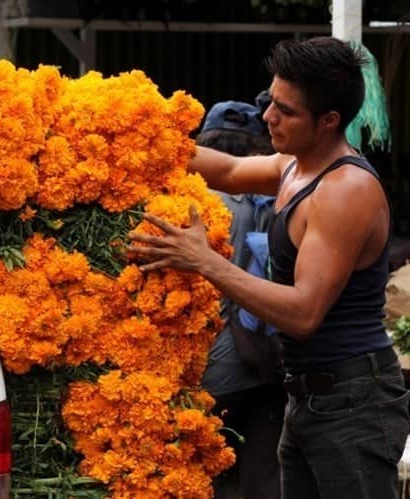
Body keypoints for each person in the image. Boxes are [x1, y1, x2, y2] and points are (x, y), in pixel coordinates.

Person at [128, 36, 410, 499]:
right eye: (271, 101)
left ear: (329, 121)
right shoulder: (294, 167)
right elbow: (230, 171)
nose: (267, 117)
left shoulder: (344, 192)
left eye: (285, 110)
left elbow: (303, 314)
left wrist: (205, 262)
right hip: (308, 395)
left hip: (352, 402)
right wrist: (139, 139)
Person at [196, 100, 285, 499]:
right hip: (265, 362)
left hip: (205, 370)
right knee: (263, 476)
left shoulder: (188, 203)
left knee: (200, 476)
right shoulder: (275, 202)